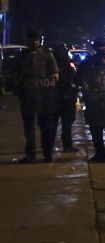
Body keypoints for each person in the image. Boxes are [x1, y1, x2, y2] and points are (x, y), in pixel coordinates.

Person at [14, 29, 59, 163]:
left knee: (45, 127)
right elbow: (16, 75)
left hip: (44, 97)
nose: (34, 42)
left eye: (37, 39)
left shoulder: (47, 55)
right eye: (32, 39)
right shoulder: (21, 56)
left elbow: (55, 75)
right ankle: (30, 154)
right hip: (27, 97)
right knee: (28, 128)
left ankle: (47, 153)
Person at [52, 44, 78, 153]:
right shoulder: (68, 67)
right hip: (66, 99)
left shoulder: (53, 67)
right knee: (66, 124)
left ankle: (49, 146)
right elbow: (75, 82)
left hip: (55, 99)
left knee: (52, 124)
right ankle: (67, 145)